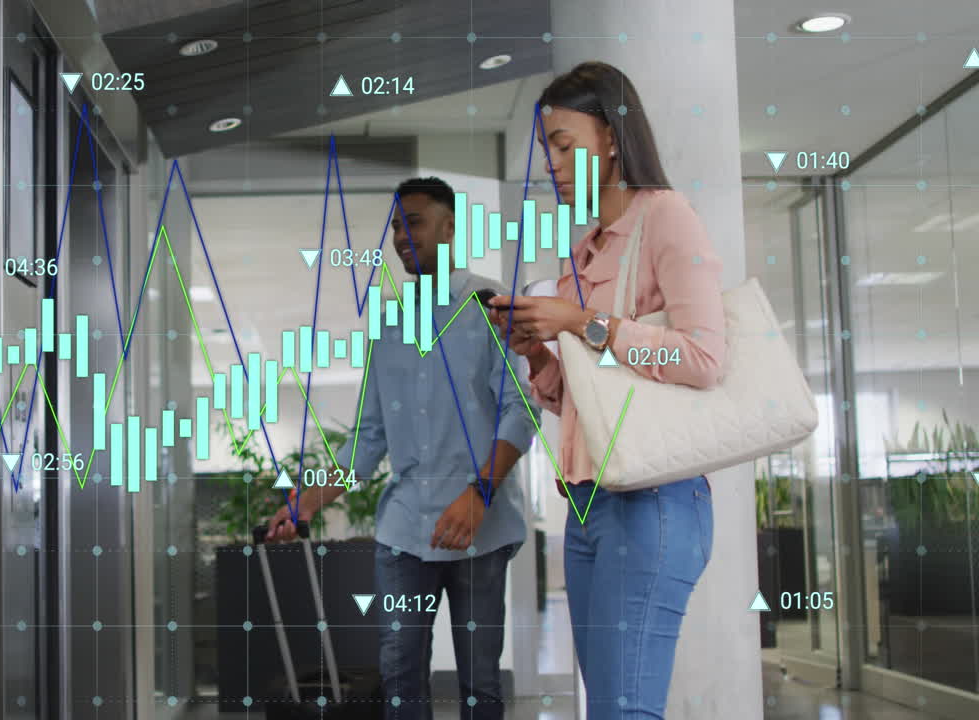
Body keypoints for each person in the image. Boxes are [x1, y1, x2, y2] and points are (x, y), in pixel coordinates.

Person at [486, 61, 726, 719]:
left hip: (654, 501)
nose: (552, 164)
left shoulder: (665, 218)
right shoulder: (581, 255)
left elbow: (704, 358)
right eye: (547, 150)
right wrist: (539, 352)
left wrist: (584, 323)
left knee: (623, 712)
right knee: (607, 710)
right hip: (589, 508)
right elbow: (576, 399)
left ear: (613, 137)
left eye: (564, 144)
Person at [266, 176, 539, 719]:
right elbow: (368, 441)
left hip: (479, 533)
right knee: (399, 675)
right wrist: (306, 504)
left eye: (413, 222)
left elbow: (521, 409)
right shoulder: (389, 321)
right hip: (404, 531)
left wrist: (479, 493)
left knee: (481, 680)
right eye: (394, 225)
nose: (400, 236)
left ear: (449, 226)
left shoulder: (490, 306)